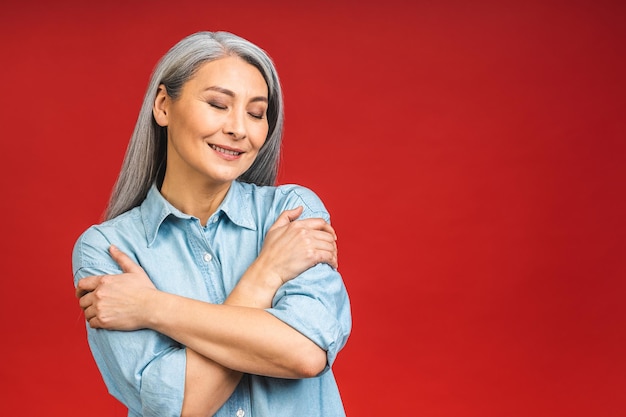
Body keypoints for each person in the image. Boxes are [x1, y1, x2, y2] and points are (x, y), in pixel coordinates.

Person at [72, 31, 351, 417]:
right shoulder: (107, 250)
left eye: (256, 113)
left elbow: (304, 352)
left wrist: (151, 306)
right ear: (164, 106)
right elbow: (181, 405)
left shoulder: (293, 212)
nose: (239, 129)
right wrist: (265, 276)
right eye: (219, 104)